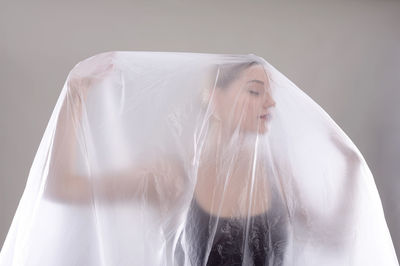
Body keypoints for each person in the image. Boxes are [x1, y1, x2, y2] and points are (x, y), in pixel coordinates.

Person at [0, 51, 398, 266]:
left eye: (271, 92)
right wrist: (75, 96)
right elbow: (63, 188)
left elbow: (334, 237)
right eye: (255, 91)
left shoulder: (278, 174)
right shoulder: (173, 176)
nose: (272, 103)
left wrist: (350, 168)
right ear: (214, 95)